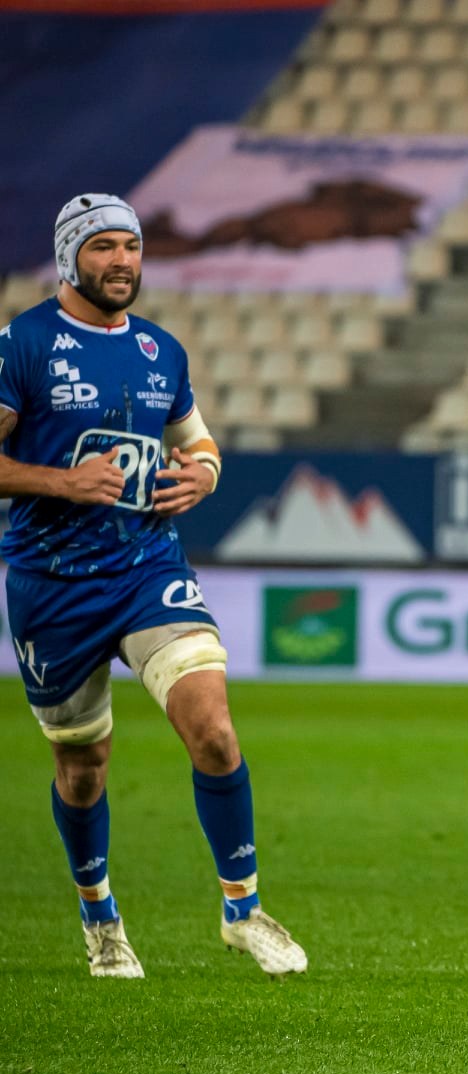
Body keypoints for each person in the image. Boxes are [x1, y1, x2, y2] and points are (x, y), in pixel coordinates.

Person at [1, 194, 306, 978]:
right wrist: (58, 483)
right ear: (71, 257)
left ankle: (243, 909)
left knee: (213, 729)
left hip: (147, 570)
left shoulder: (160, 351)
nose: (122, 262)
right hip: (51, 585)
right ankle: (99, 914)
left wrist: (201, 475)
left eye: (131, 247)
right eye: (103, 247)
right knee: (84, 765)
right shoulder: (23, 345)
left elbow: (197, 442)